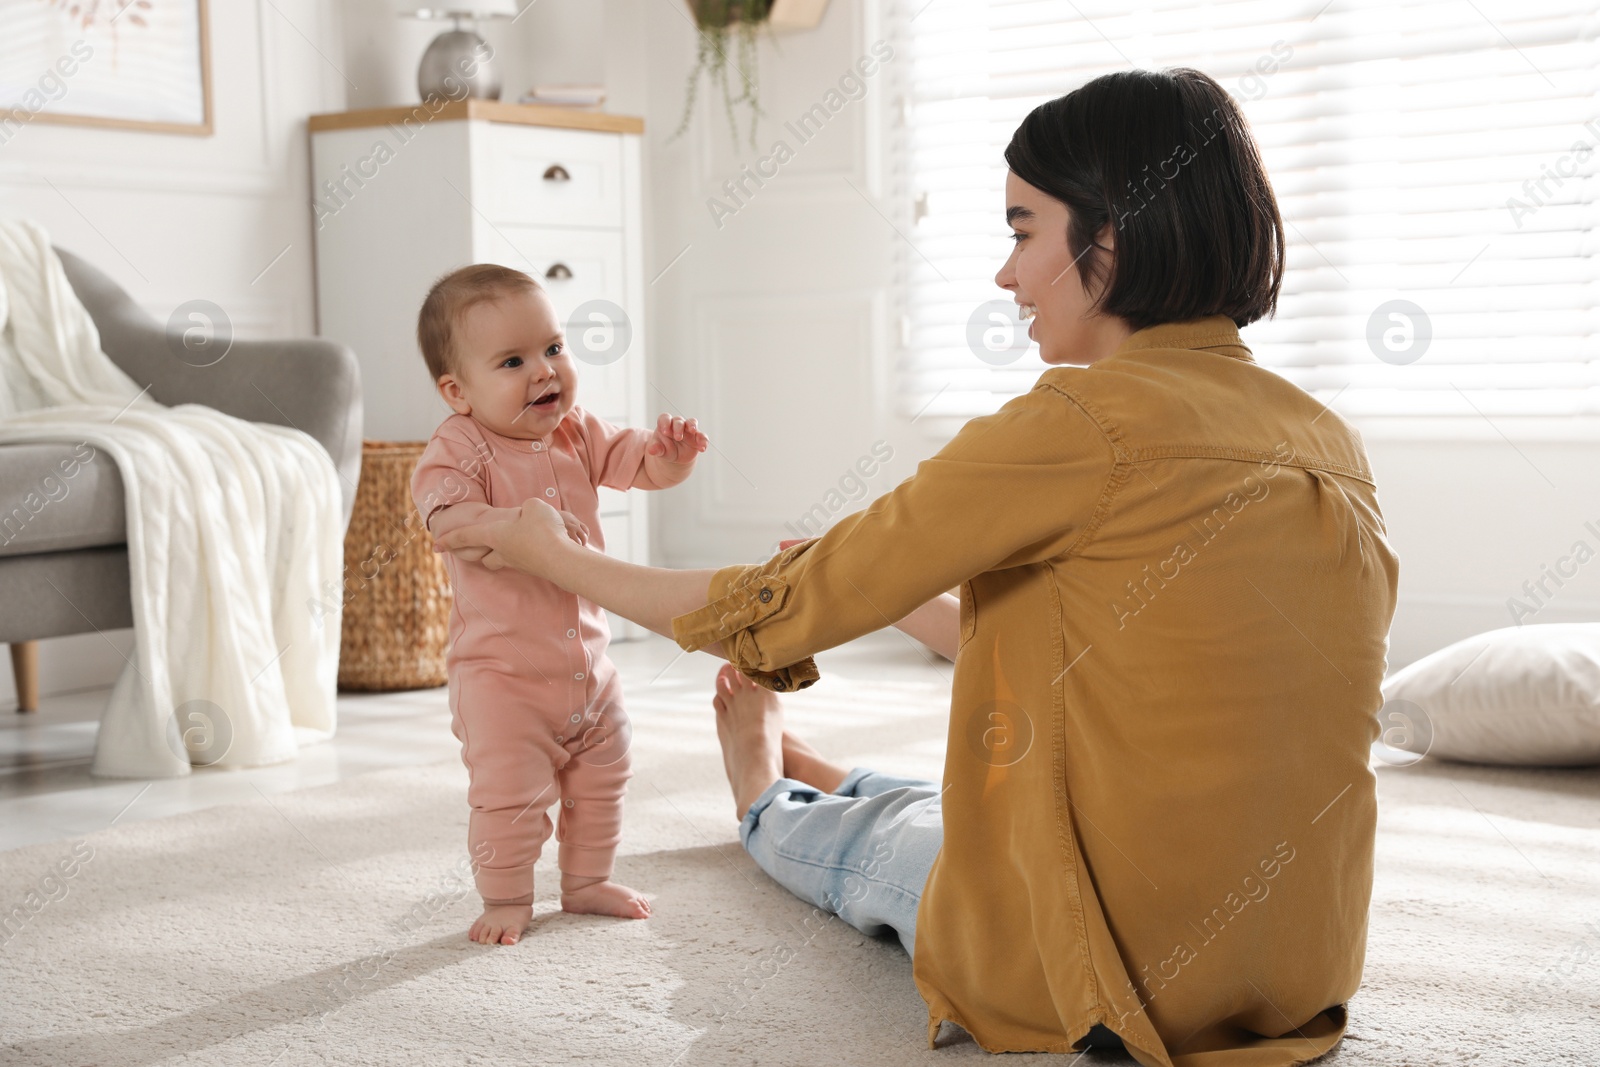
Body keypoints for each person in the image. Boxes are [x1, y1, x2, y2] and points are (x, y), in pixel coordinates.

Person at [434, 68, 1400, 1067]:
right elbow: (1110, 636)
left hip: (1118, 977)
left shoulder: (1073, 423)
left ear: (1108, 239)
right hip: (1299, 973)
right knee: (969, 797)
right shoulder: (1324, 438)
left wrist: (549, 550)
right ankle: (839, 771)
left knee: (895, 858)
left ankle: (764, 783)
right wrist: (899, 597)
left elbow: (773, 608)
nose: (1005, 274)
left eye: (1023, 231)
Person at [410, 264, 709, 945]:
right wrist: (508, 527)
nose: (545, 371)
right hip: (503, 680)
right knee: (509, 799)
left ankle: (586, 881)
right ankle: (507, 895)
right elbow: (443, 519)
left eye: (553, 348)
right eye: (513, 360)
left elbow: (637, 465)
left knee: (605, 775)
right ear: (458, 391)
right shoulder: (460, 446)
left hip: (589, 671)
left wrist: (671, 458)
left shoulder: (576, 430)